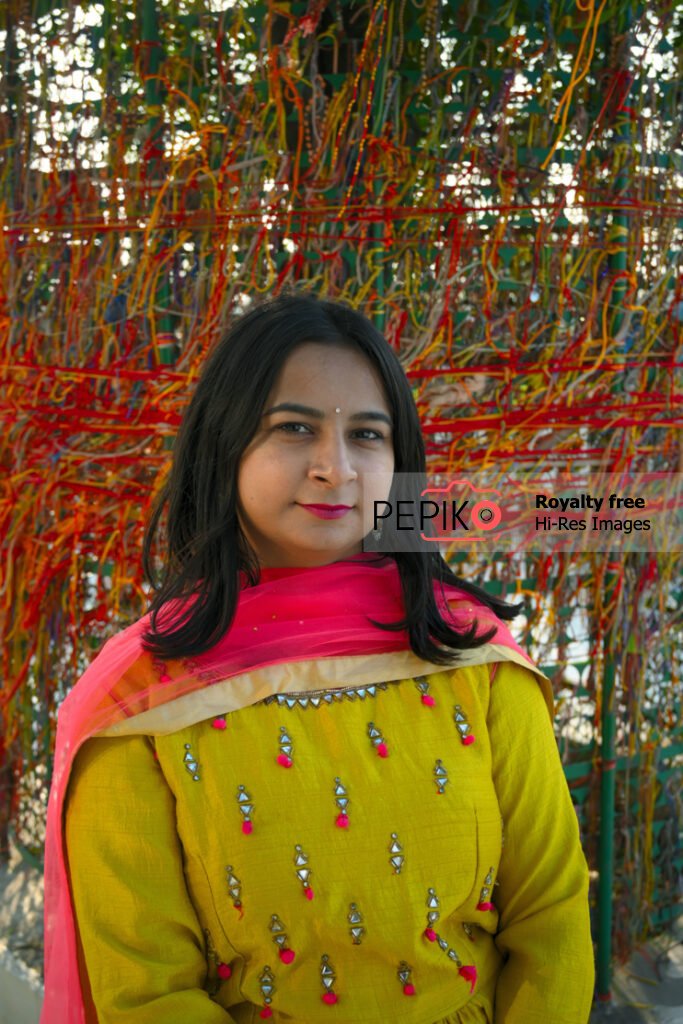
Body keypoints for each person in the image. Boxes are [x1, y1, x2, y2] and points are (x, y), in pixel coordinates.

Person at [41, 293, 594, 1024]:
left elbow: (550, 920)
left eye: (367, 435)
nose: (335, 469)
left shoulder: (475, 663)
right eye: (294, 429)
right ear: (223, 447)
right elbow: (143, 993)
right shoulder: (142, 705)